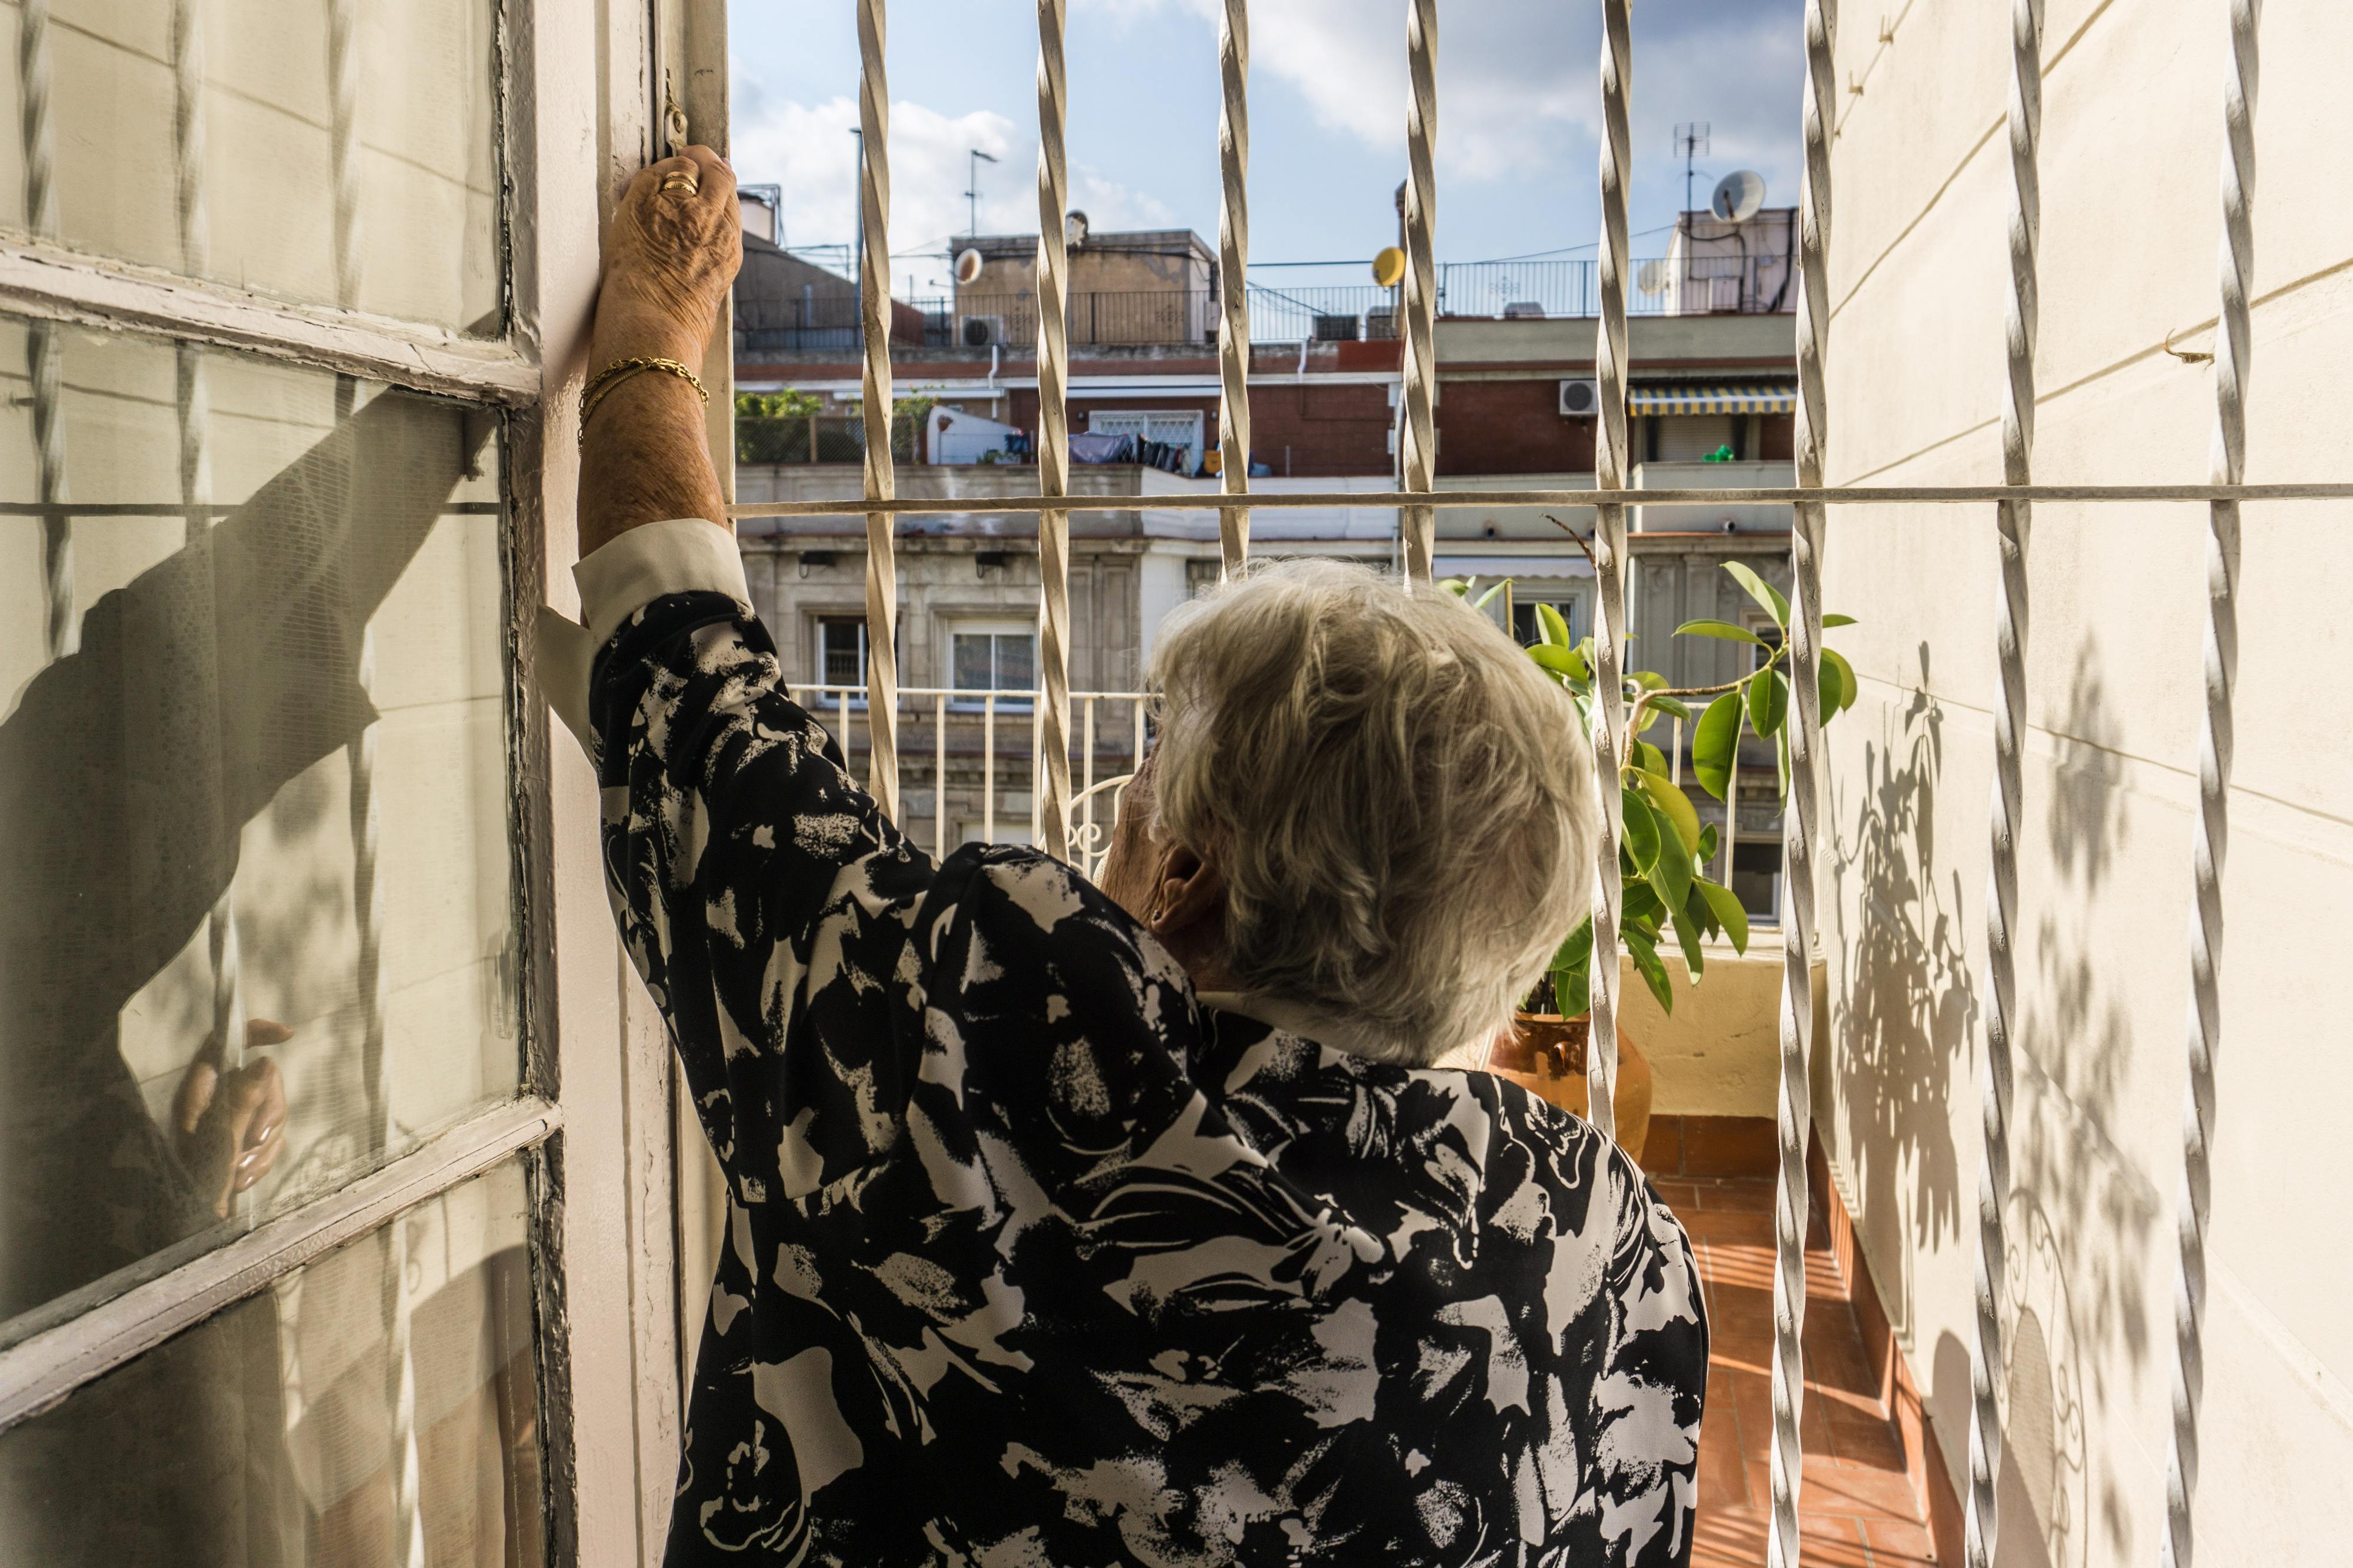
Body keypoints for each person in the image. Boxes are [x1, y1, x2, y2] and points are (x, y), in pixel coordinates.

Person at [548, 145, 1708, 1567]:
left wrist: (655, 325)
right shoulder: (1607, 1251)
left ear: (1186, 881)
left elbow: (695, 703)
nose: (1120, 800)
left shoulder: (972, 1068)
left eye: (1145, 772)